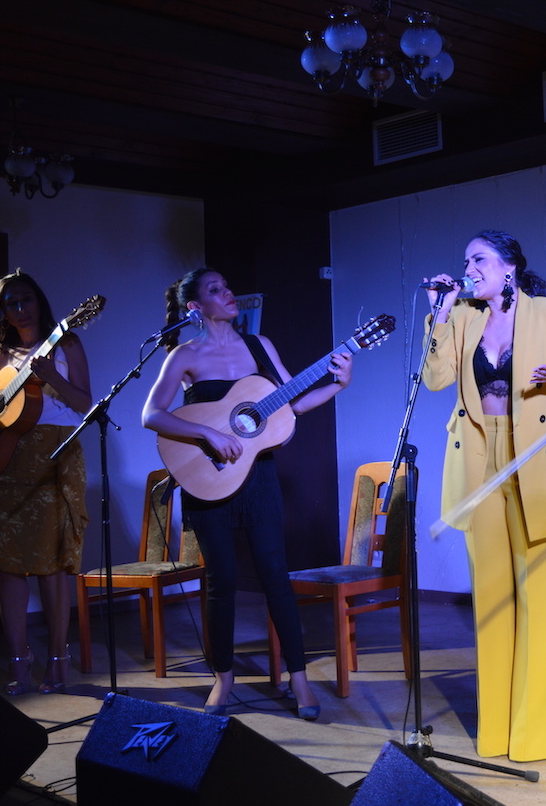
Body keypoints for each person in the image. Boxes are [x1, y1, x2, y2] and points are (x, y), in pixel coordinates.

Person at [141, 267, 352, 720]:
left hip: (258, 478)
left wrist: (338, 384)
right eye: (215, 289)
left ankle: (299, 679)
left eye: (227, 286)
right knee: (222, 581)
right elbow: (151, 414)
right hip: (208, 478)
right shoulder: (183, 355)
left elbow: (292, 404)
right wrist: (208, 433)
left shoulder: (260, 346)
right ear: (196, 306)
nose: (228, 293)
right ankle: (223, 678)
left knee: (275, 575)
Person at [422, 230, 546, 762]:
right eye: (465, 259)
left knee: (537, 598)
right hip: (479, 459)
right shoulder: (461, 316)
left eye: (479, 259)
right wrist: (439, 314)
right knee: (492, 600)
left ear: (508, 266)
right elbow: (436, 379)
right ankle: (495, 731)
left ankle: (533, 734)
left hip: (533, 456)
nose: (469, 267)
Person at [0, 271, 91, 696]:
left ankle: (58, 661)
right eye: (11, 303)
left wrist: (52, 376)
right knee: (7, 564)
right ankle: (18, 663)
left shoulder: (65, 344)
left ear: (40, 302)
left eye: (27, 299)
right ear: (1, 312)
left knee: (51, 564)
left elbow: (85, 403)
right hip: (6, 459)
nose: (21, 308)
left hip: (54, 456)